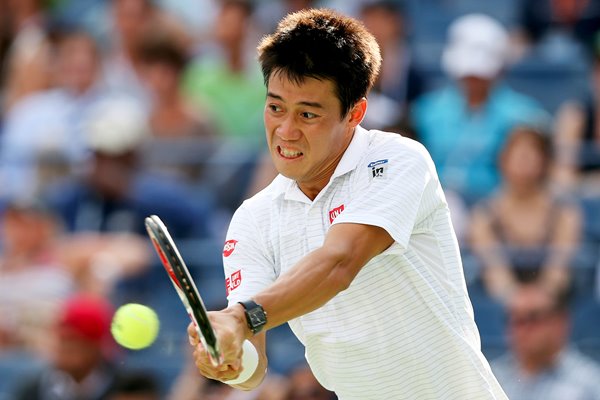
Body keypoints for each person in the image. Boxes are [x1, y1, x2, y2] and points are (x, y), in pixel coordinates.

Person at [187, 9, 507, 399]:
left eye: (307, 114)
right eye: (275, 108)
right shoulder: (253, 219)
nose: (285, 131)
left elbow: (339, 264)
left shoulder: (398, 160)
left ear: (355, 113)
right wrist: (228, 357)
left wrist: (241, 318)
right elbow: (252, 370)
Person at [411, 13, 549, 205]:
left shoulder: (526, 116)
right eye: (468, 75)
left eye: (481, 75)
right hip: (433, 207)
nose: (474, 82)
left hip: (500, 210)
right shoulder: (425, 111)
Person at [469, 126, 581, 304]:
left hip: (556, 307)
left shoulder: (565, 212)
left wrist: (544, 295)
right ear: (503, 159)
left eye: (531, 152)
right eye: (517, 153)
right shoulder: (483, 215)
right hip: (502, 310)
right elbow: (493, 271)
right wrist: (513, 297)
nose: (524, 159)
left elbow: (560, 268)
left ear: (545, 161)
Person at [491, 283, 600, 400]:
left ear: (560, 322)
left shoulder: (590, 384)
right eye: (515, 319)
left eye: (533, 318)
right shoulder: (491, 377)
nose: (522, 328)